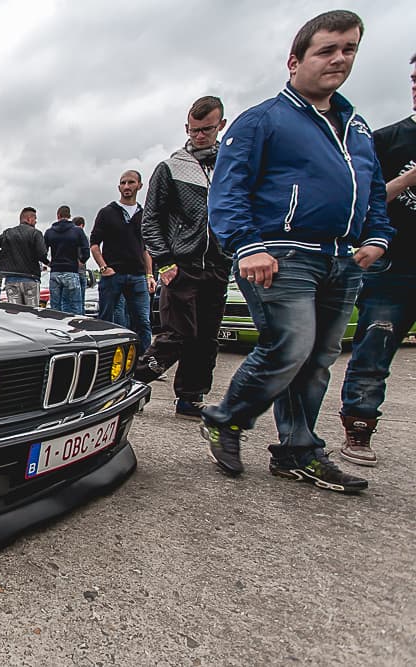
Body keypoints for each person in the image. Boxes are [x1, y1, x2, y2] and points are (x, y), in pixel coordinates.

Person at [202, 10, 393, 493]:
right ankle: (226, 418)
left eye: (349, 49)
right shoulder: (263, 120)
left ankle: (297, 450)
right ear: (295, 61)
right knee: (291, 344)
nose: (339, 59)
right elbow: (227, 188)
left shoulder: (357, 127)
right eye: (327, 50)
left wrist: (377, 236)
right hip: (281, 254)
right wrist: (247, 245)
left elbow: (371, 189)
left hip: (342, 257)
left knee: (318, 358)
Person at [337, 52, 416, 466]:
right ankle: (359, 427)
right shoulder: (388, 139)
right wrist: (409, 178)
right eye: (415, 79)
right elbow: (364, 197)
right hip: (394, 264)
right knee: (374, 347)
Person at [136, 96, 233, 420]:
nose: (200, 136)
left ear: (220, 126)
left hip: (217, 265)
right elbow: (150, 219)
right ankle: (132, 383)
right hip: (181, 265)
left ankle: (190, 397)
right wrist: (164, 260)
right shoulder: (171, 167)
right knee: (176, 335)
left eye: (207, 130)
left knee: (206, 339)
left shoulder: (230, 167)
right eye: (194, 130)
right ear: (186, 128)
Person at [90, 171, 155, 352]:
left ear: (139, 186)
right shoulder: (107, 212)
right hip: (113, 275)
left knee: (143, 321)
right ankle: (104, 358)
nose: (126, 186)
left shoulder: (144, 215)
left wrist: (149, 274)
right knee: (106, 321)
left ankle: (144, 360)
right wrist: (103, 267)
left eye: (131, 182)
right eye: (123, 183)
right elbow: (94, 244)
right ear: (119, 187)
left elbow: (146, 248)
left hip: (137, 275)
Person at [0, 207, 48, 307]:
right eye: (35, 218)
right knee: (31, 312)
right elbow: (42, 254)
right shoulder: (36, 233)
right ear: (29, 219)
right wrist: (48, 262)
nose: (36, 221)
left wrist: (3, 255)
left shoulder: (8, 233)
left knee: (15, 310)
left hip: (11, 279)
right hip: (30, 278)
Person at [44, 206, 88, 314]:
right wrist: (81, 261)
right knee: (75, 306)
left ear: (58, 215)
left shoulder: (49, 232)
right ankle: (75, 324)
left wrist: (48, 263)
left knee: (55, 307)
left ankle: (56, 323)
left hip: (55, 271)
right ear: (69, 216)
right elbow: (86, 250)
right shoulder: (77, 231)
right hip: (71, 270)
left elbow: (41, 252)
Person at [71, 216, 91, 307]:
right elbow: (86, 253)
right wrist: (82, 262)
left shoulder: (69, 236)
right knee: (80, 301)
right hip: (81, 270)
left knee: (69, 301)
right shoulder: (85, 237)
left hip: (71, 270)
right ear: (82, 225)